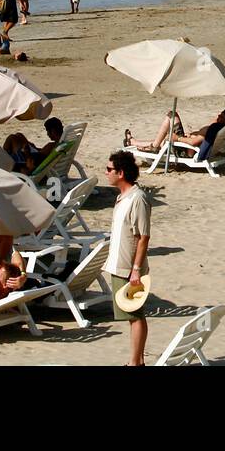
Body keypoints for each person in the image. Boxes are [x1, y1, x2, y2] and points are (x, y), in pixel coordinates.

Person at [104, 151, 151, 365]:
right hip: (119, 265)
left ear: (120, 173)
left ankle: (135, 362)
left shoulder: (137, 198)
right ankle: (136, 361)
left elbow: (143, 237)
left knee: (135, 314)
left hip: (129, 268)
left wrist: (136, 269)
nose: (106, 173)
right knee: (131, 315)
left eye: (109, 169)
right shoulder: (122, 197)